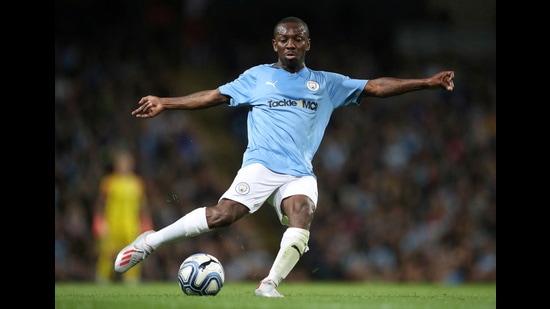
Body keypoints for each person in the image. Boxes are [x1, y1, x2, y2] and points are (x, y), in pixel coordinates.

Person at [114, 16, 454, 296]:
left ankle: (269, 283)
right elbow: (214, 96)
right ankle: (149, 242)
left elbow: (376, 87)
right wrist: (167, 103)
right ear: (275, 45)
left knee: (302, 213)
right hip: (260, 166)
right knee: (223, 216)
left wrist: (427, 82)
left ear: (307, 44)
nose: (290, 44)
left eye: (297, 39)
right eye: (284, 39)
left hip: (299, 172)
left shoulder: (326, 83)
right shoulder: (257, 77)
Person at [94, 149, 153, 284]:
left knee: (133, 252)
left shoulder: (137, 183)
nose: (124, 166)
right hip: (112, 223)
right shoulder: (108, 182)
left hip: (131, 224)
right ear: (116, 164)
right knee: (106, 252)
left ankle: (131, 280)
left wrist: (146, 222)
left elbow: (143, 205)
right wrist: (98, 220)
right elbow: (100, 202)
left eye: (127, 163)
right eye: (121, 163)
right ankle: (102, 279)